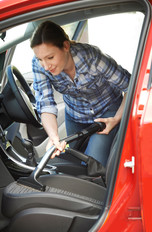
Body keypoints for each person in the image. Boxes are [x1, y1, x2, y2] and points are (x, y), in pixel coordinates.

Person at [30, 20, 131, 167]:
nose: (45, 66)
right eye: (40, 59)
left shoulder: (92, 57)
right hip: (75, 115)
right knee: (70, 161)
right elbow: (45, 104)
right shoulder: (38, 65)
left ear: (65, 46)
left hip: (107, 113)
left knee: (92, 166)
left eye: (50, 58)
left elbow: (130, 86)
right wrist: (53, 137)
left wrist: (116, 119)